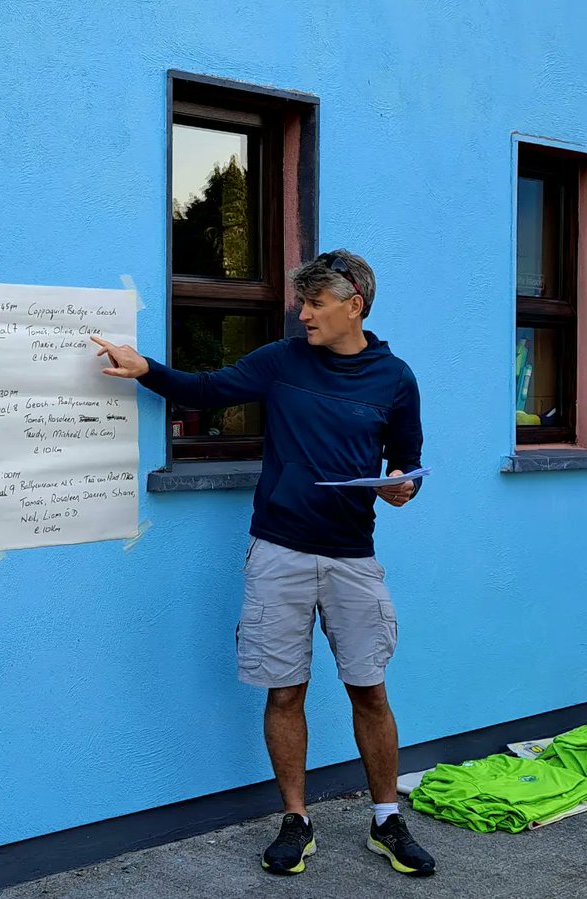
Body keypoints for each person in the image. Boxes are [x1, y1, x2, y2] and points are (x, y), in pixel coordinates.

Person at [91, 250, 435, 877]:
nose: (302, 314)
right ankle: (295, 821)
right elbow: (205, 390)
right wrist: (146, 370)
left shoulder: (396, 379)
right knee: (285, 691)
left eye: (315, 304)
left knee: (370, 691)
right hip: (279, 550)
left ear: (353, 305)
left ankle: (387, 819)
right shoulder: (282, 362)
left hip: (353, 556)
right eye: (301, 303)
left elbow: (407, 466)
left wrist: (401, 487)